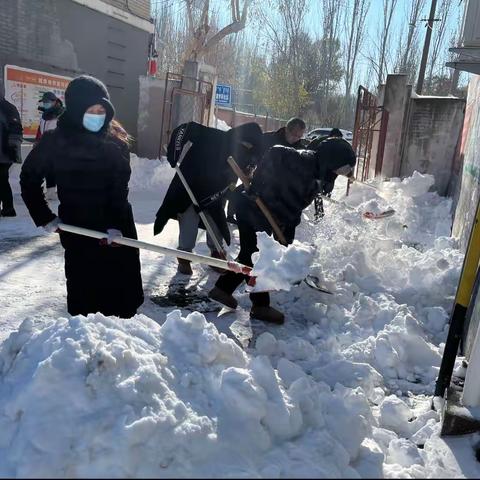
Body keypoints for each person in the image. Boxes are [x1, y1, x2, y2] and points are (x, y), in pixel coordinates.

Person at [20, 75, 144, 318]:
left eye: (102, 110)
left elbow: (119, 190)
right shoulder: (56, 142)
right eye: (91, 109)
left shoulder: (116, 143)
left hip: (117, 231)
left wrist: (117, 227)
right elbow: (29, 178)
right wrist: (45, 217)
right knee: (86, 303)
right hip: (79, 231)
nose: (97, 115)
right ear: (76, 110)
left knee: (122, 300)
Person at [208, 140, 356, 324]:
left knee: (255, 255)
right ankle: (255, 304)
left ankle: (227, 291)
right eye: (338, 169)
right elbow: (274, 152)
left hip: (267, 213)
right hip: (251, 205)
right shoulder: (303, 159)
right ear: (330, 160)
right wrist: (256, 186)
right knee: (257, 255)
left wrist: (287, 236)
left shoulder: (316, 178)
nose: (337, 174)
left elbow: (294, 208)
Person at [153, 121, 263, 275]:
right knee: (189, 219)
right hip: (191, 186)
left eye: (250, 147)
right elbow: (186, 128)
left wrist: (246, 183)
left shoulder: (249, 154)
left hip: (215, 194)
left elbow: (245, 175)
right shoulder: (215, 137)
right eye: (244, 144)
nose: (246, 148)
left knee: (216, 225)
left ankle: (217, 254)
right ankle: (184, 255)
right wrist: (174, 152)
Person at [225, 117, 307, 225]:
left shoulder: (300, 149)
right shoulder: (268, 138)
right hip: (260, 175)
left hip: (280, 184)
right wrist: (250, 166)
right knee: (239, 193)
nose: (296, 138)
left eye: (299, 136)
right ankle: (231, 215)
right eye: (294, 135)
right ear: (287, 129)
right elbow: (254, 152)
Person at [308, 128, 355, 221]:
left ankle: (323, 199)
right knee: (320, 189)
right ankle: (320, 210)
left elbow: (349, 160)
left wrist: (350, 174)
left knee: (324, 189)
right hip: (320, 168)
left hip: (327, 170)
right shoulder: (322, 143)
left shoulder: (341, 145)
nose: (337, 140)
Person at [35, 91, 65, 200]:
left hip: (58, 146)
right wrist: (37, 142)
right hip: (45, 145)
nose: (45, 104)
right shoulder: (44, 115)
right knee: (48, 169)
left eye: (47, 102)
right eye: (44, 102)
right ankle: (51, 191)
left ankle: (63, 191)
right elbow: (40, 130)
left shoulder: (61, 114)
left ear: (54, 102)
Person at [0, 88, 23, 217]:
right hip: (4, 151)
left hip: (4, 151)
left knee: (2, 179)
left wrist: (13, 149)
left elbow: (16, 129)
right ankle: (7, 209)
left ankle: (9, 209)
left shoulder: (7, 108)